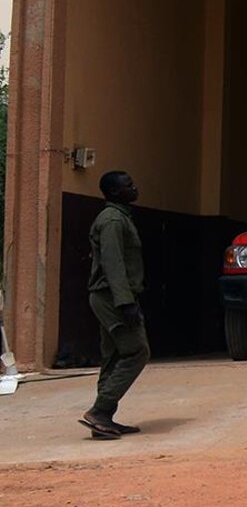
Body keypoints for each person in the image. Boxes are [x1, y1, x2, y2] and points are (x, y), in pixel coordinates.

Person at [80, 170, 149, 440]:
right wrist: (125, 302)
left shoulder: (120, 217)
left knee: (113, 356)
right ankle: (100, 410)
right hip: (111, 296)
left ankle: (103, 421)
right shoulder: (111, 220)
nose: (135, 188)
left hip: (111, 296)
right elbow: (113, 263)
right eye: (128, 185)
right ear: (114, 192)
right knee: (137, 351)